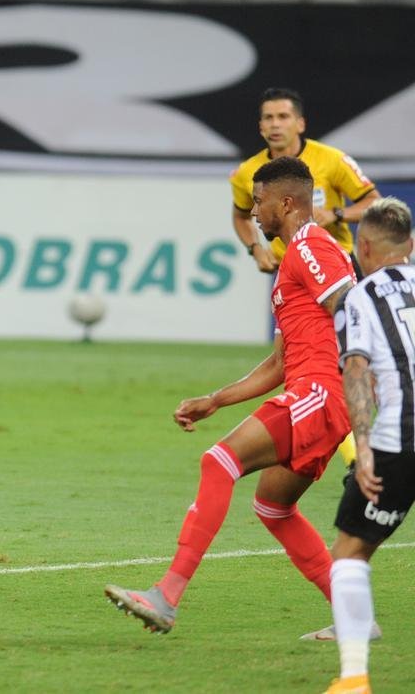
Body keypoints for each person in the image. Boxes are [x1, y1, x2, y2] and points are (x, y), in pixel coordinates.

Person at [104, 157, 359, 636]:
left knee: (218, 461)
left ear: (286, 202)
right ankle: (354, 619)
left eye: (259, 200)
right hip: (316, 393)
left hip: (321, 393)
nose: (254, 211)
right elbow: (279, 364)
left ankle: (166, 596)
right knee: (273, 507)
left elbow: (352, 307)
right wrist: (216, 399)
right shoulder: (294, 259)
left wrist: (364, 387)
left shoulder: (309, 246)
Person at [230, 87, 379, 468]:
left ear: (300, 123)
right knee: (298, 364)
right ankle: (336, 450)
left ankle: (357, 452)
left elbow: (372, 202)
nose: (275, 124)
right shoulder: (247, 173)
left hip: (334, 268)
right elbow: (240, 216)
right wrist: (255, 249)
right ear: (260, 125)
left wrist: (339, 216)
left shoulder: (331, 161)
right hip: (290, 274)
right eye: (268, 117)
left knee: (338, 359)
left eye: (283, 117)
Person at [321, 198, 415, 694]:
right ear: (412, 245)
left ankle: (354, 678)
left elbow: (355, 368)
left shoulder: (362, 294)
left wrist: (363, 447)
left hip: (399, 440)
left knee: (351, 553)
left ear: (365, 247)